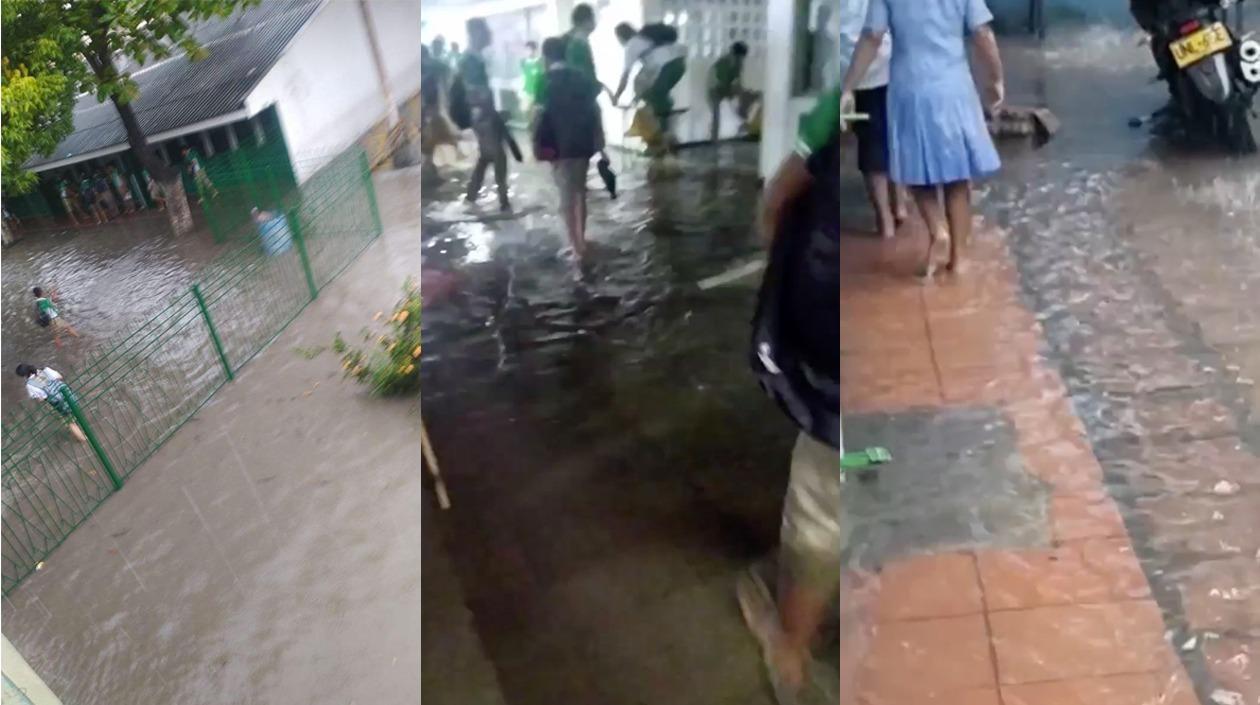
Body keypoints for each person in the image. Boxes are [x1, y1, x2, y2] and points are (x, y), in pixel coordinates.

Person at [738, 87, 845, 704]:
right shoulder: (946, 99)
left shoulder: (848, 100)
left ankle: (791, 653)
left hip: (842, 389)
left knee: (820, 507)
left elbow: (775, 203)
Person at [841, 0, 1004, 277]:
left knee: (916, 169)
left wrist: (848, 87)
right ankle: (958, 259)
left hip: (909, 86)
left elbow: (872, 36)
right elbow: (982, 33)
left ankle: (937, 229)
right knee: (958, 176)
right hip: (954, 87)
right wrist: (996, 78)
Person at [840, 0, 908, 240]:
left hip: (855, 69)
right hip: (888, 64)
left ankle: (885, 219)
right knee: (893, 135)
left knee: (871, 144)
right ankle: (899, 204)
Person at [534, 36, 602, 261]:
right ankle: (581, 239)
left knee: (566, 194)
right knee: (580, 191)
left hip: (557, 144)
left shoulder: (543, 80)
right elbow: (595, 108)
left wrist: (537, 146)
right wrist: (599, 139)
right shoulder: (581, 77)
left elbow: (538, 115)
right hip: (582, 141)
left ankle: (575, 248)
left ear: (546, 56)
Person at [460, 18, 512, 211]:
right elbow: (474, 93)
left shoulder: (475, 58)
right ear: (475, 34)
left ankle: (471, 197)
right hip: (483, 117)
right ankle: (504, 201)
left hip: (483, 116)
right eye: (485, 31)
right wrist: (492, 113)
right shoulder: (470, 60)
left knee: (486, 157)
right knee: (498, 156)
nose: (489, 35)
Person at [15, 364, 87, 443]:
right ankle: (86, 429)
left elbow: (41, 398)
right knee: (76, 411)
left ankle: (82, 439)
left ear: (23, 375)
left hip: (58, 403)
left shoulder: (29, 385)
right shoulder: (45, 370)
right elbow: (59, 376)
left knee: (69, 422)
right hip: (67, 394)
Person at [708, 41, 749, 143]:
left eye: (742, 58)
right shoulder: (723, 62)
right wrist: (730, 92)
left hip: (724, 87)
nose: (741, 59)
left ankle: (743, 125)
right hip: (714, 88)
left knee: (741, 100)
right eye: (739, 57)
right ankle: (714, 138)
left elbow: (738, 80)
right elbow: (721, 82)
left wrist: (740, 93)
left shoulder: (738, 63)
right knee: (716, 114)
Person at [520, 41, 545, 114]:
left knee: (536, 114)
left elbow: (542, 77)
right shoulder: (523, 62)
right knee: (524, 112)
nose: (527, 52)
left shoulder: (540, 62)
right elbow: (522, 77)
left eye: (529, 50)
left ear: (534, 50)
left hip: (537, 93)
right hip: (527, 93)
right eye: (526, 50)